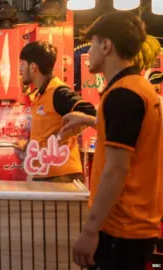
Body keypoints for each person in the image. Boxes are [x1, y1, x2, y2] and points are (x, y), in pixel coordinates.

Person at [59, 11, 162, 269]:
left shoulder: (123, 94)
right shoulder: (137, 87)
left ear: (106, 46)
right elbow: (135, 140)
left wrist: (91, 229)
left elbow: (117, 169)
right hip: (133, 225)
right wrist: (91, 121)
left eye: (92, 42)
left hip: (121, 227)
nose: (88, 52)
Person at [18, 41, 96, 182]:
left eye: (22, 64)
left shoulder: (58, 92)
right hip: (44, 173)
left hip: (61, 175)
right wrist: (30, 146)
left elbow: (89, 112)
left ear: (33, 67)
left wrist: (61, 137)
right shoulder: (41, 94)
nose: (20, 69)